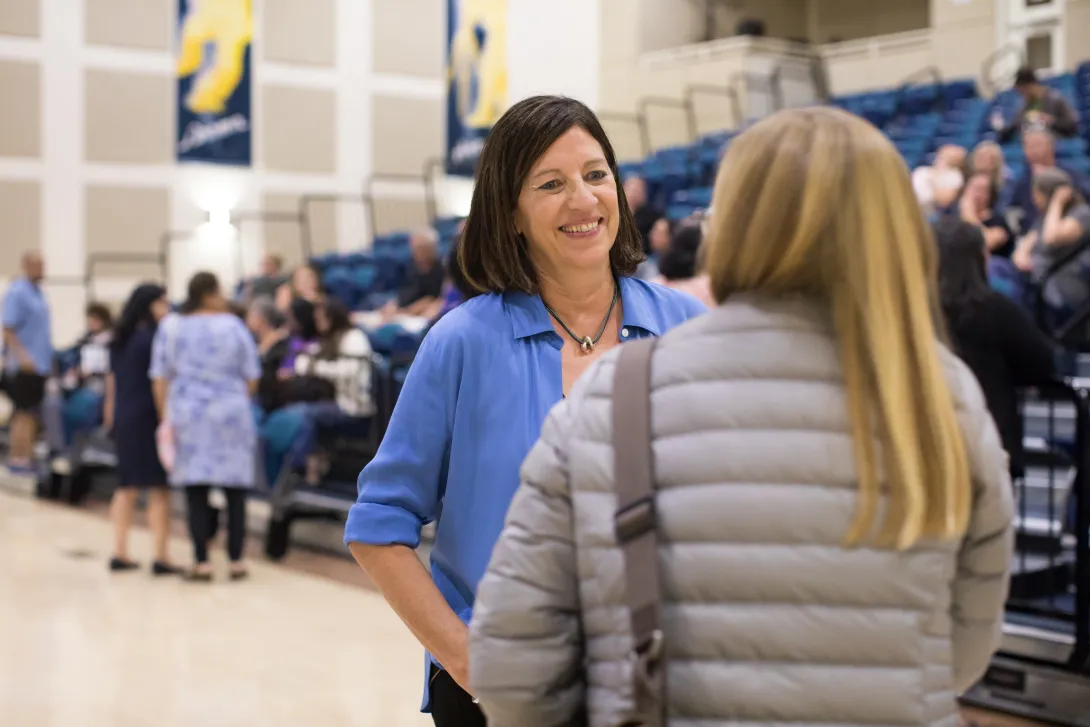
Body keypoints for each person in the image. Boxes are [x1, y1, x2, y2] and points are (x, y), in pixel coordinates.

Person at [468, 107, 1014, 726]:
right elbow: (963, 647)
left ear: (731, 224)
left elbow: (511, 667)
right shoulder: (945, 395)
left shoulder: (614, 395)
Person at [344, 95, 706, 726]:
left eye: (596, 175)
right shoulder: (462, 342)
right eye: (551, 184)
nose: (584, 200)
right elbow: (378, 527)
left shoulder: (690, 331)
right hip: (503, 695)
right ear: (510, 213)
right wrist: (460, 656)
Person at [150, 272, 261, 582]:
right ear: (208, 293)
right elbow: (252, 374)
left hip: (188, 415)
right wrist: (233, 398)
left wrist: (165, 417)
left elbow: (159, 375)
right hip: (230, 414)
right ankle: (236, 559)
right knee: (235, 491)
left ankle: (202, 562)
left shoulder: (171, 327)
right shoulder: (234, 326)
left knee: (195, 491)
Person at [935, 217, 1055, 480]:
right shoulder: (993, 308)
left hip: (929, 444)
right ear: (979, 258)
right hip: (989, 444)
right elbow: (1043, 362)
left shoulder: (915, 310)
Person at [104, 284, 179, 574]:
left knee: (127, 487)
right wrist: (166, 420)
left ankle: (119, 550)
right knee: (159, 488)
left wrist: (110, 416)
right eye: (162, 302)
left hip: (125, 414)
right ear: (150, 305)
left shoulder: (120, 339)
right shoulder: (154, 339)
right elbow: (160, 382)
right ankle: (161, 555)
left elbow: (112, 383)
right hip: (149, 415)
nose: (167, 308)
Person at [1011, 167, 1090, 319]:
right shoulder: (1044, 218)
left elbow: (1051, 238)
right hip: (1034, 281)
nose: (1034, 199)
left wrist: (1056, 203)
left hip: (1063, 282)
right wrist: (1022, 258)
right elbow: (1024, 246)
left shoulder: (1082, 214)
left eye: (1036, 194)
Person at [2, 252, 52, 475]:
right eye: (38, 265)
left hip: (40, 364)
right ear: (27, 266)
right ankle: (18, 457)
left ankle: (28, 456)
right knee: (22, 412)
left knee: (32, 413)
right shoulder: (18, 292)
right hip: (24, 365)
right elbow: (8, 328)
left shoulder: (38, 293)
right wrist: (23, 357)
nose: (42, 269)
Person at [995, 67, 1080, 143]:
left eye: (1024, 90)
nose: (1023, 95)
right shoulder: (1025, 105)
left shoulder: (1056, 100)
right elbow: (1014, 127)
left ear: (1032, 85)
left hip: (1053, 143)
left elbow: (1071, 126)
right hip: (1029, 143)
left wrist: (1051, 121)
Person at [958, 172, 1014, 258]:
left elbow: (987, 243)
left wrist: (970, 216)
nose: (977, 194)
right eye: (974, 188)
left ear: (990, 195)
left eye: (982, 190)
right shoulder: (953, 217)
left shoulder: (998, 220)